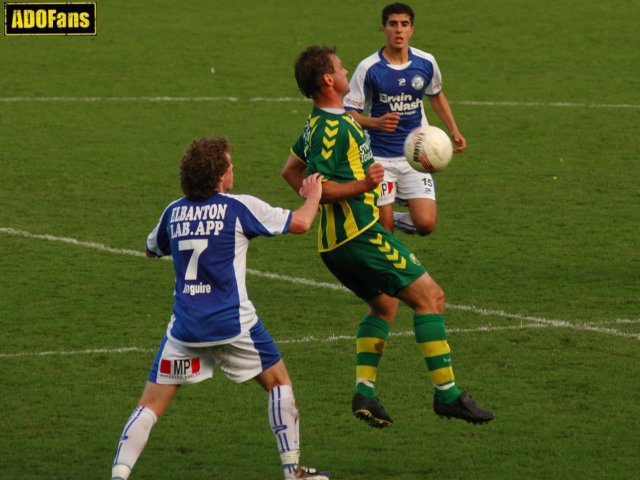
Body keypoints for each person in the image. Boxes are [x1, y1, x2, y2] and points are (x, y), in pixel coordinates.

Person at [281, 45, 493, 430]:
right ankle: (447, 395)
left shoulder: (323, 123)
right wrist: (361, 184)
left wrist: (324, 196)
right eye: (340, 67)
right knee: (432, 297)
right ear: (328, 80)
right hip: (359, 238)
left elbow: (290, 170)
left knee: (385, 306)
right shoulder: (333, 130)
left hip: (336, 245)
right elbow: (320, 187)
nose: (346, 70)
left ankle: (365, 393)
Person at [111, 137, 330, 480]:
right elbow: (300, 223)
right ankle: (294, 472)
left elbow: (151, 249)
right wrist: (314, 196)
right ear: (219, 176)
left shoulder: (173, 211)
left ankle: (118, 476)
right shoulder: (238, 207)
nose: (233, 168)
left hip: (185, 330)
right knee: (279, 383)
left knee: (149, 406)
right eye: (229, 164)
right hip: (234, 325)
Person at [344, 2, 467, 235]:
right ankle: (384, 221)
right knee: (385, 231)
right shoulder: (368, 68)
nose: (398, 30)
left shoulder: (426, 62)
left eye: (404, 24)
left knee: (425, 225)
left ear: (412, 29)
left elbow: (436, 96)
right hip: (379, 158)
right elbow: (348, 113)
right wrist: (375, 123)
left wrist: (454, 130)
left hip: (416, 155)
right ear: (383, 29)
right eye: (393, 24)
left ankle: (392, 215)